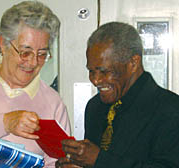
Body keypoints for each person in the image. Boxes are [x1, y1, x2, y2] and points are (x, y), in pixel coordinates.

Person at [0, 1, 71, 167]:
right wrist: (5, 123)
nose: (32, 62)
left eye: (42, 54)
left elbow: (57, 162)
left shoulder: (53, 103)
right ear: (3, 44)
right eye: (25, 52)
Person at [56, 22, 179, 168]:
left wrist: (100, 161)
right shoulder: (95, 107)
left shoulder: (171, 110)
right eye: (91, 71)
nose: (95, 80)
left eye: (104, 71)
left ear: (133, 62)